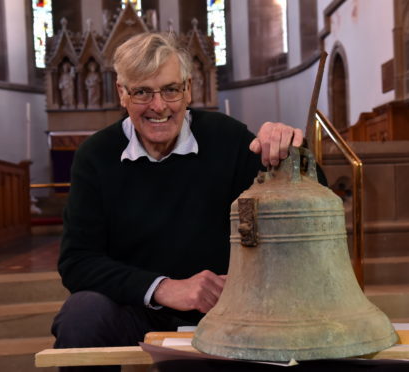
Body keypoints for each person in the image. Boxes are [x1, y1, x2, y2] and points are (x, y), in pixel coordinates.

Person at [51, 32, 324, 371]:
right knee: (82, 313)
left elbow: (312, 194)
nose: (158, 106)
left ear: (189, 89)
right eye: (142, 92)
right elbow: (78, 261)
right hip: (139, 312)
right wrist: (163, 288)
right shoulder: (96, 156)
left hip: (226, 311)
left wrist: (287, 150)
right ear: (122, 93)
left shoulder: (227, 138)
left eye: (170, 89)